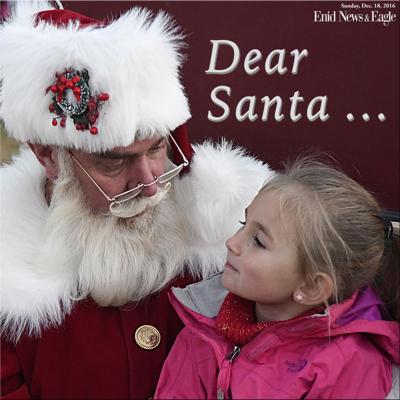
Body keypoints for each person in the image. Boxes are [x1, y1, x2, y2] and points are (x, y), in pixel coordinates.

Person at [0, 2, 272, 399]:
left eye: (158, 149)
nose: (149, 185)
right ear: (48, 157)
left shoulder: (234, 234)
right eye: (115, 161)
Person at [155, 158, 400, 399]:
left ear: (312, 286)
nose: (232, 242)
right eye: (244, 223)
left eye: (259, 241)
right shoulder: (204, 327)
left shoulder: (349, 367)